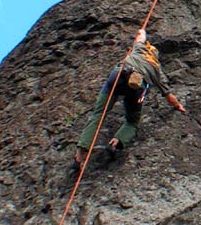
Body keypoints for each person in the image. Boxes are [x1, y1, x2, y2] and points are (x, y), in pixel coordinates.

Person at [73, 29, 185, 168]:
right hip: (137, 87)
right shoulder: (157, 69)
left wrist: (142, 31)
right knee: (132, 122)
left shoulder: (140, 49)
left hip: (118, 75)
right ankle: (116, 142)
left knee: (99, 114)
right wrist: (179, 106)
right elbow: (168, 95)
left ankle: (80, 154)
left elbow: (140, 37)